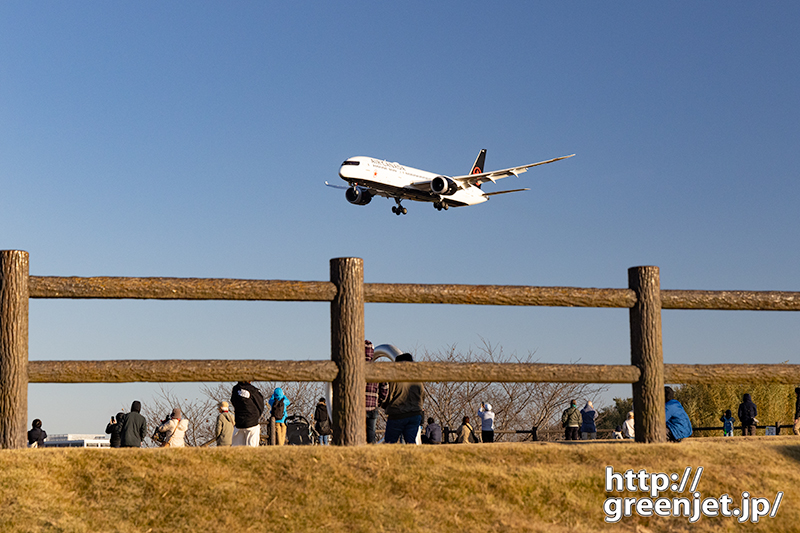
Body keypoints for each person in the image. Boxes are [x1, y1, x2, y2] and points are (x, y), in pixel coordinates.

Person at [380, 353, 424, 444]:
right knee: (410, 442)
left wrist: (383, 405)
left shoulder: (395, 377)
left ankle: (390, 458)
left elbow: (389, 395)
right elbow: (422, 395)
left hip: (397, 413)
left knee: (390, 443)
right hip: (415, 413)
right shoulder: (417, 377)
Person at [365, 340, 389, 444]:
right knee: (371, 433)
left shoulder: (354, 368)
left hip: (357, 407)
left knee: (357, 433)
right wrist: (379, 401)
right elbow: (385, 388)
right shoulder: (377, 369)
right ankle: (372, 456)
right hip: (372, 406)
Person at [231, 381, 264, 447]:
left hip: (239, 421)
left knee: (237, 446)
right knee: (252, 446)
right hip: (252, 421)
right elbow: (260, 405)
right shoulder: (253, 390)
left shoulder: (235, 389)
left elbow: (233, 401)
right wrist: (257, 415)